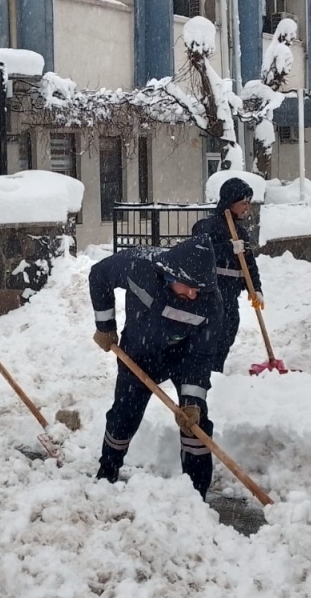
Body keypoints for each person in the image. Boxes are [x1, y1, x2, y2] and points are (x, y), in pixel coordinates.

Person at [89, 237, 222, 497]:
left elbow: (202, 354)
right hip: (137, 354)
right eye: (190, 287)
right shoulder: (140, 266)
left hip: (183, 357)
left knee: (195, 423)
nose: (194, 294)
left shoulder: (209, 302)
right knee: (124, 416)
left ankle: (196, 493)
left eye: (201, 289)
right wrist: (105, 327)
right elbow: (99, 275)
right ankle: (107, 471)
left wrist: (192, 401)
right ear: (171, 274)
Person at [191, 177, 262, 373]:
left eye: (249, 203)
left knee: (229, 329)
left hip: (230, 293)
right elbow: (199, 252)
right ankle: (208, 372)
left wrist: (255, 289)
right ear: (230, 202)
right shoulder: (208, 226)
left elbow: (248, 263)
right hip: (212, 292)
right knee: (216, 334)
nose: (247, 208)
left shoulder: (240, 232)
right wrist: (227, 247)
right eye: (243, 203)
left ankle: (215, 370)